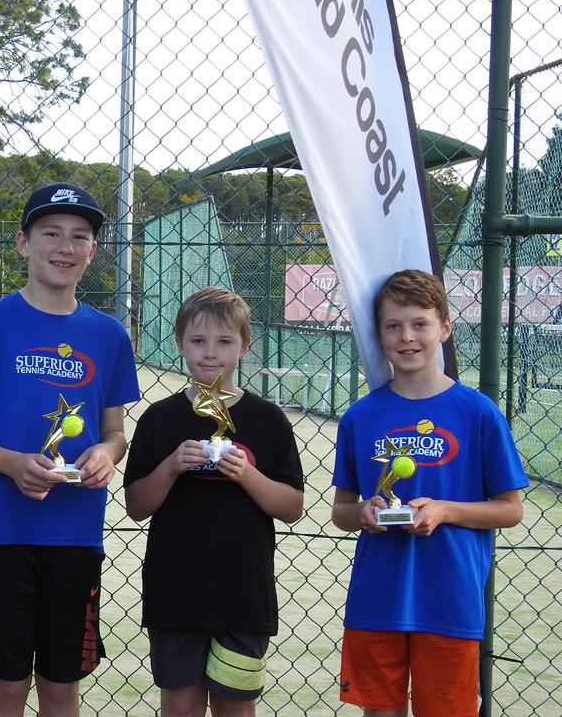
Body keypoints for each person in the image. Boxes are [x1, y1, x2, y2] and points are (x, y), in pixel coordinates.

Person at [0, 183, 140, 716]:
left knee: (60, 685)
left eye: (80, 236)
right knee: (6, 685)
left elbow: (115, 433)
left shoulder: (109, 335)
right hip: (3, 534)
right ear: (22, 243)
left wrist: (106, 455)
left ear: (93, 251)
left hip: (75, 537)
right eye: (50, 232)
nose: (65, 246)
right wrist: (13, 465)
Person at [330, 269, 526, 717]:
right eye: (393, 326)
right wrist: (362, 511)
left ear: (445, 327)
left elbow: (510, 510)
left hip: (449, 602)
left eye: (419, 323)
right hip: (376, 601)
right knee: (380, 712)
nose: (407, 337)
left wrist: (444, 511)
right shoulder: (361, 417)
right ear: (378, 335)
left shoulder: (478, 413)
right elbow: (341, 509)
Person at [123, 287, 304, 717]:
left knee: (235, 707)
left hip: (243, 596)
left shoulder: (268, 419)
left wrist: (248, 475)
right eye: (198, 341)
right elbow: (136, 506)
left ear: (244, 345)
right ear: (179, 343)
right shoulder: (159, 418)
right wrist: (170, 467)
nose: (210, 354)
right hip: (175, 596)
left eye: (224, 342)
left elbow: (292, 506)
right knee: (180, 707)